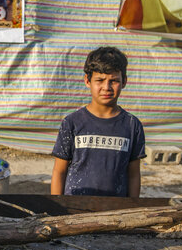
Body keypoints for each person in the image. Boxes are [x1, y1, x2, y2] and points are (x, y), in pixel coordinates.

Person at [51, 47, 145, 197]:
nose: (106, 87)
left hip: (117, 210)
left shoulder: (132, 125)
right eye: (100, 80)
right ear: (88, 81)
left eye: (113, 81)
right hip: (75, 208)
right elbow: (59, 171)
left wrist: (132, 208)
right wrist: (58, 207)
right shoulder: (72, 123)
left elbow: (133, 174)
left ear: (124, 82)